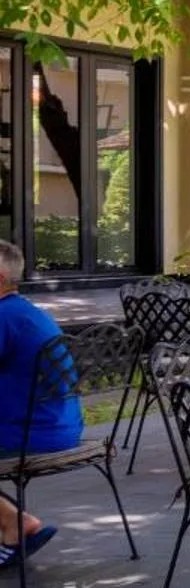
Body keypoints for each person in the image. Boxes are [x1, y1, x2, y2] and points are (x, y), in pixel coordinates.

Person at [0, 241, 72, 567]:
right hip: (60, 425)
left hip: (29, 433)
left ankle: (14, 522)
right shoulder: (26, 312)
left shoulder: (4, 317)